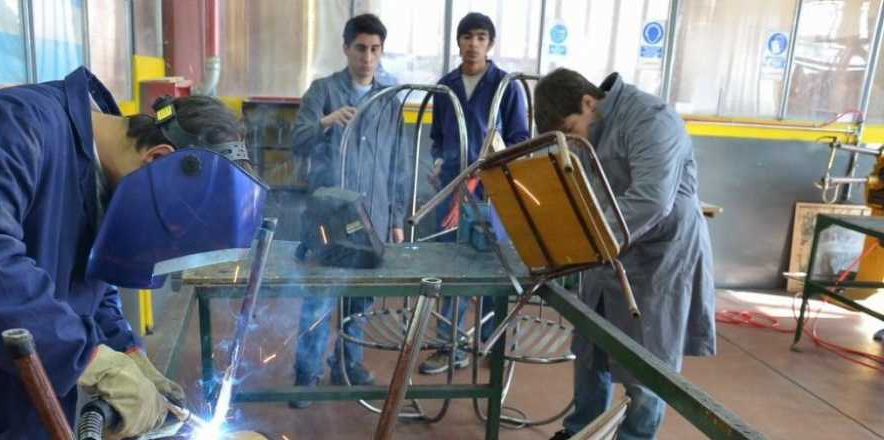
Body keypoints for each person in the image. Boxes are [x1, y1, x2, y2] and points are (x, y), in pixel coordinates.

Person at [0, 67, 249, 439]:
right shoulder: (15, 124)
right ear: (158, 159)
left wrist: (125, 351)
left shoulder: (105, 180)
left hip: (24, 411)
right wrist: (91, 360)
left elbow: (90, 284)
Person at [534, 68, 716, 440]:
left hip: (658, 258)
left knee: (647, 366)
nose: (571, 140)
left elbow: (651, 200)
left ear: (588, 102)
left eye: (570, 129)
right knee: (591, 348)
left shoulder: (651, 119)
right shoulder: (590, 129)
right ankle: (581, 431)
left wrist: (589, 242)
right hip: (610, 251)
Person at [289, 13, 408, 408]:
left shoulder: (388, 98)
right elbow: (298, 141)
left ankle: (348, 363)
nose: (368, 57)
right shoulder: (322, 91)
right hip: (327, 218)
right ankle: (306, 375)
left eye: (375, 49)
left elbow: (395, 161)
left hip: (371, 214)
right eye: (360, 48)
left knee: (361, 300)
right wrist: (325, 121)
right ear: (346, 48)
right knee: (320, 299)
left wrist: (394, 219)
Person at [419, 12, 530, 375]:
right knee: (449, 266)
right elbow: (437, 137)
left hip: (491, 191)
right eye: (466, 37)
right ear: (458, 42)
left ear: (490, 44)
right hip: (452, 190)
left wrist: (498, 161)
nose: (472, 44)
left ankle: (491, 342)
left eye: (480, 37)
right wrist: (438, 162)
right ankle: (448, 345)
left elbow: (520, 139)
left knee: (490, 266)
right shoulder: (446, 86)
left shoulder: (505, 86)